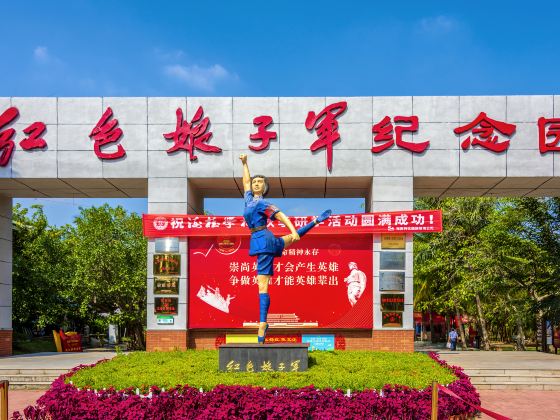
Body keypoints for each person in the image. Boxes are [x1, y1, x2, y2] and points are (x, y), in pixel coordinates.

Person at [240, 154, 331, 343]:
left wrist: (292, 230)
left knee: (262, 285)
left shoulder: (264, 204)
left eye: (260, 182)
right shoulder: (248, 199)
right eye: (255, 182)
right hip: (262, 240)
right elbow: (245, 181)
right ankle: (315, 221)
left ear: (265, 188)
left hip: (263, 240)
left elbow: (281, 216)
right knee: (287, 241)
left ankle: (263, 323)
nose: (256, 184)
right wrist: (245, 163)